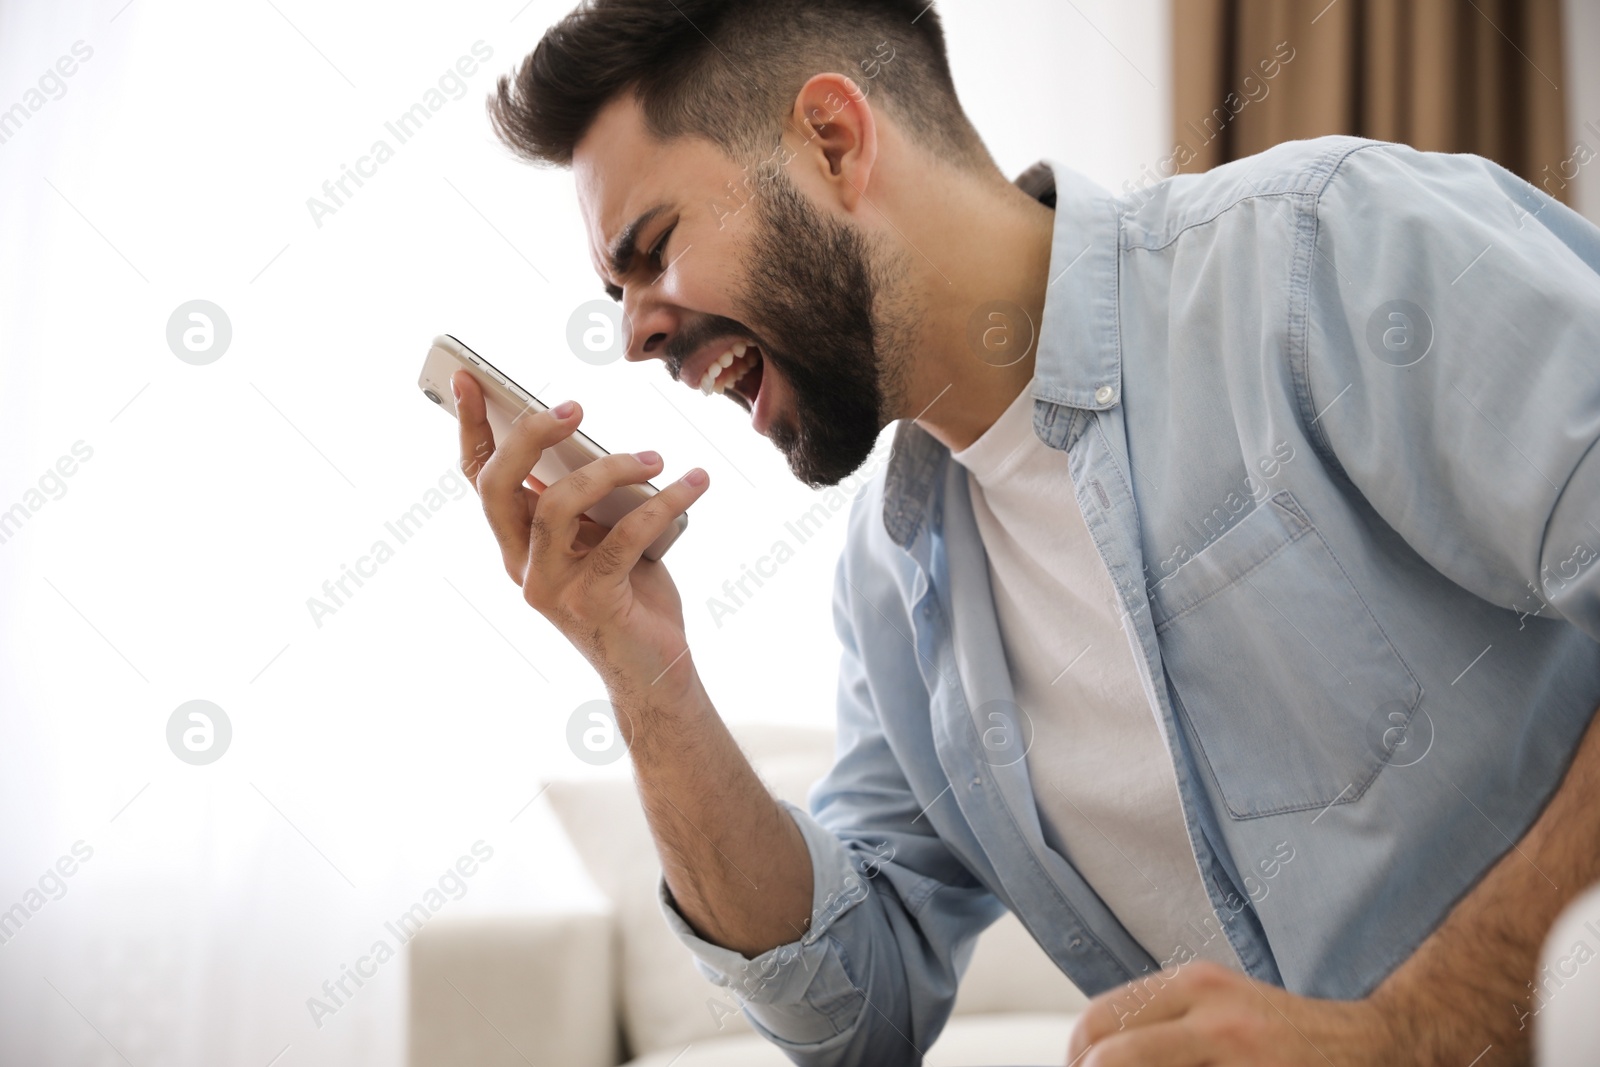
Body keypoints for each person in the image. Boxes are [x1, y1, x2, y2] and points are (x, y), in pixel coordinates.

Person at [447, 1, 1600, 1063]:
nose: (639, 337)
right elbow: (858, 1007)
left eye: (651, 247)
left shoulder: (1322, 253)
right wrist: (644, 675)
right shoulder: (890, 579)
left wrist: (1419, 1025)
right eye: (615, 296)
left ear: (835, 141)